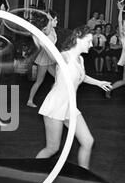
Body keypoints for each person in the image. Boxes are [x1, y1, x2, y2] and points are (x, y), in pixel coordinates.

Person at [36, 26, 112, 170]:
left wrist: (99, 82)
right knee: (52, 148)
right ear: (78, 38)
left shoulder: (80, 59)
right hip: (56, 105)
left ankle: (84, 177)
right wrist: (41, 39)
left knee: (88, 141)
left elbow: (81, 77)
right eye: (89, 41)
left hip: (70, 107)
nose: (91, 45)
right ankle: (30, 172)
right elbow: (53, 55)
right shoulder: (65, 56)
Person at [27, 10, 58, 108]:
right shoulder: (46, 29)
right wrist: (49, 19)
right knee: (39, 81)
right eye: (55, 20)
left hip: (49, 58)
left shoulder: (53, 30)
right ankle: (29, 100)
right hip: (44, 59)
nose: (57, 22)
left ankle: (53, 99)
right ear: (50, 20)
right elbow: (47, 32)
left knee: (58, 77)